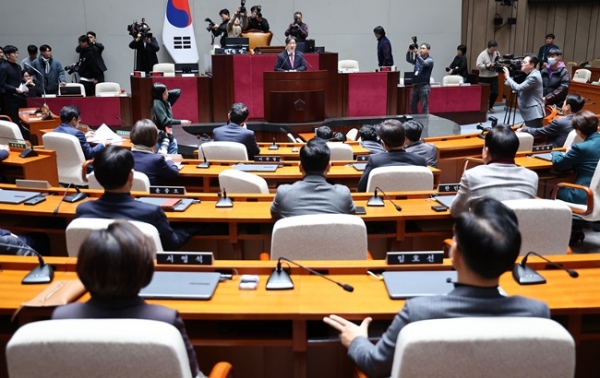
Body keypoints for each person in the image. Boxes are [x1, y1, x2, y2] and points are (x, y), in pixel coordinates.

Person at [323, 198, 550, 378]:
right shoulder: (538, 314)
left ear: (454, 253)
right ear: (512, 260)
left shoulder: (419, 313)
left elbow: (374, 364)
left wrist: (357, 340)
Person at [52, 221, 205, 378]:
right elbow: (191, 373)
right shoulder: (165, 321)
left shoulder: (61, 318)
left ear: (83, 269)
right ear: (146, 271)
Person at [75, 146, 198, 251]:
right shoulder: (151, 212)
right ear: (131, 176)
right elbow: (172, 245)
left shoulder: (83, 210)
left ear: (96, 177)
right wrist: (191, 228)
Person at [450, 125, 538, 216]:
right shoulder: (532, 177)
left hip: (485, 230)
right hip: (519, 229)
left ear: (486, 151)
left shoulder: (472, 176)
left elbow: (456, 211)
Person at [271, 139, 356, 218]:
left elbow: (275, 214)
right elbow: (351, 214)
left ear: (300, 167)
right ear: (328, 167)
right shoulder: (343, 194)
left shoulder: (283, 193)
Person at [357, 120, 427, 192]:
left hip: (382, 202)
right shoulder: (420, 161)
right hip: (415, 202)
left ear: (383, 144)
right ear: (404, 139)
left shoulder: (375, 161)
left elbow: (361, 189)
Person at [552, 111, 600, 204]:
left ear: (578, 130)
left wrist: (555, 152)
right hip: (597, 196)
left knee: (555, 190)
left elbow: (559, 162)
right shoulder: (582, 147)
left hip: (585, 195)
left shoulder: (581, 148)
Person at [518, 93, 584, 148]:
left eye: (564, 103)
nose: (562, 105)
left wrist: (524, 129)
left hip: (552, 152)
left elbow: (539, 132)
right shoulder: (582, 121)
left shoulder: (560, 122)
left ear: (567, 107)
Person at [130, 119, 180, 186]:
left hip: (130, 195)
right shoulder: (157, 159)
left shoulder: (124, 157)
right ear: (154, 138)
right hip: (152, 196)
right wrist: (169, 160)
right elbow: (174, 174)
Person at [503, 54, 545, 128]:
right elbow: (513, 85)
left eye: (524, 62)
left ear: (532, 65)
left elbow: (518, 88)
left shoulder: (534, 76)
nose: (522, 64)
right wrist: (508, 78)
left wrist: (508, 77)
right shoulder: (529, 74)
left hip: (534, 113)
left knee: (531, 136)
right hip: (530, 113)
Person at [150, 82, 191, 154]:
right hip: (161, 138)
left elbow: (178, 92)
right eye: (165, 93)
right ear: (160, 95)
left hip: (169, 135)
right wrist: (181, 122)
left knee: (173, 158)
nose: (168, 94)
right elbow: (164, 121)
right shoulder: (157, 103)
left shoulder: (165, 101)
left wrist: (164, 91)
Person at [0, 45, 27, 134]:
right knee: (15, 120)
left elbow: (19, 82)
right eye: (14, 53)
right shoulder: (4, 67)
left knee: (23, 120)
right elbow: (2, 83)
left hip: (21, 97)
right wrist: (14, 89)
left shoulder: (18, 67)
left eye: (17, 53)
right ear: (7, 55)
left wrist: (24, 87)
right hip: (11, 98)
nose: (16, 55)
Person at [406, 43, 434, 114]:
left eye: (423, 48)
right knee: (412, 104)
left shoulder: (430, 60)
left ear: (428, 50)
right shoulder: (418, 58)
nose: (421, 50)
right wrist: (409, 51)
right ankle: (416, 120)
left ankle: (426, 122)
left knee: (424, 106)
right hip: (415, 86)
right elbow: (408, 60)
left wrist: (417, 54)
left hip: (424, 86)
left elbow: (424, 63)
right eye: (420, 48)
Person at [476, 40, 501, 113]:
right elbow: (478, 65)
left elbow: (499, 61)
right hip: (484, 77)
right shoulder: (482, 55)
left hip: (494, 76)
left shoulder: (497, 53)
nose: (493, 51)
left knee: (495, 92)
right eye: (492, 50)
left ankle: (490, 106)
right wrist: (488, 65)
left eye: (495, 50)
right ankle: (482, 107)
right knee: (483, 94)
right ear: (488, 47)